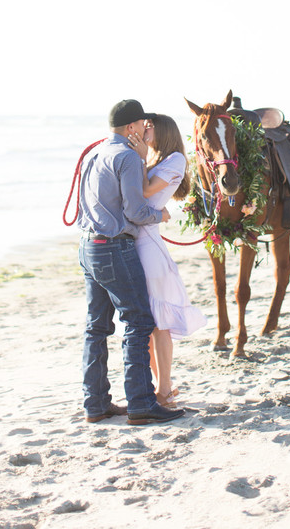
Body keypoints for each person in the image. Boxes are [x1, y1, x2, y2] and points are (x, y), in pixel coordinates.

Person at [77, 99, 185, 426]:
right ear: (131, 128)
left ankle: (95, 404)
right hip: (115, 247)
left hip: (87, 247)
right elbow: (136, 212)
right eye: (142, 125)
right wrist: (161, 215)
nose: (146, 130)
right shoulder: (127, 157)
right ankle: (141, 403)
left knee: (96, 327)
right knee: (138, 322)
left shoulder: (94, 154)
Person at [127, 114, 207, 406]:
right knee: (148, 323)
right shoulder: (153, 160)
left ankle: (164, 388)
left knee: (160, 321)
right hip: (137, 240)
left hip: (148, 245)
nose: (143, 131)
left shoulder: (174, 160)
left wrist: (139, 157)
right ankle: (161, 389)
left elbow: (145, 191)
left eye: (148, 127)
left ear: (162, 131)